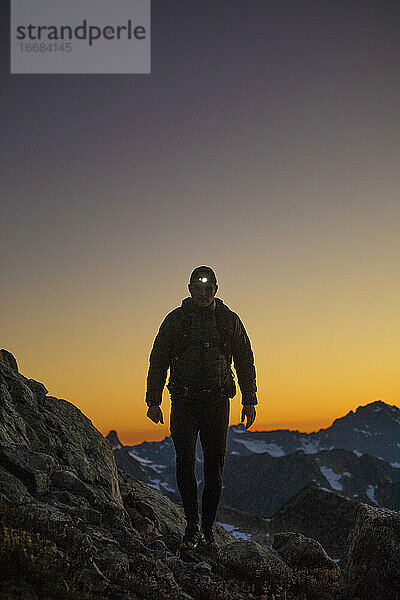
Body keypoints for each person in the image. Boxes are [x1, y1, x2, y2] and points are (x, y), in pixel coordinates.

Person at [145, 266, 258, 552]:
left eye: (209, 288)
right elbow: (158, 360)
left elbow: (245, 359)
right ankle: (191, 526)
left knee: (214, 468)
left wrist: (250, 399)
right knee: (184, 463)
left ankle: (207, 530)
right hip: (183, 402)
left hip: (217, 402)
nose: (204, 292)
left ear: (216, 290)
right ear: (190, 288)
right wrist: (153, 401)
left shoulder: (228, 321)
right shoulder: (175, 321)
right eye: (198, 286)